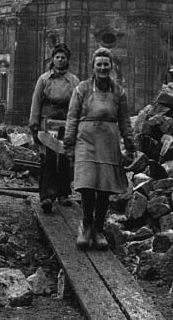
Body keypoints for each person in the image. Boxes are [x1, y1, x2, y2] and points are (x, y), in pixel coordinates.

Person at [64, 47, 135, 251]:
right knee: (87, 184)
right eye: (99, 64)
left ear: (111, 66)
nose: (103, 68)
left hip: (109, 142)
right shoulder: (83, 89)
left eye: (106, 64)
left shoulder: (119, 92)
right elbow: (72, 117)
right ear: (92, 67)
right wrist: (69, 144)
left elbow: (125, 121)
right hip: (86, 139)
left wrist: (130, 146)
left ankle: (98, 229)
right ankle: (85, 226)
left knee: (104, 187)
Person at [28, 44, 81, 214]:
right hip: (47, 123)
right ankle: (46, 196)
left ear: (67, 60)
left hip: (66, 123)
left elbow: (79, 105)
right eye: (57, 57)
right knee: (48, 158)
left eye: (63, 57)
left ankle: (64, 193)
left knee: (65, 159)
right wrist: (34, 124)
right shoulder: (44, 79)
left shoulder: (74, 81)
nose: (60, 60)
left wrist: (78, 126)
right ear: (53, 59)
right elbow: (36, 102)